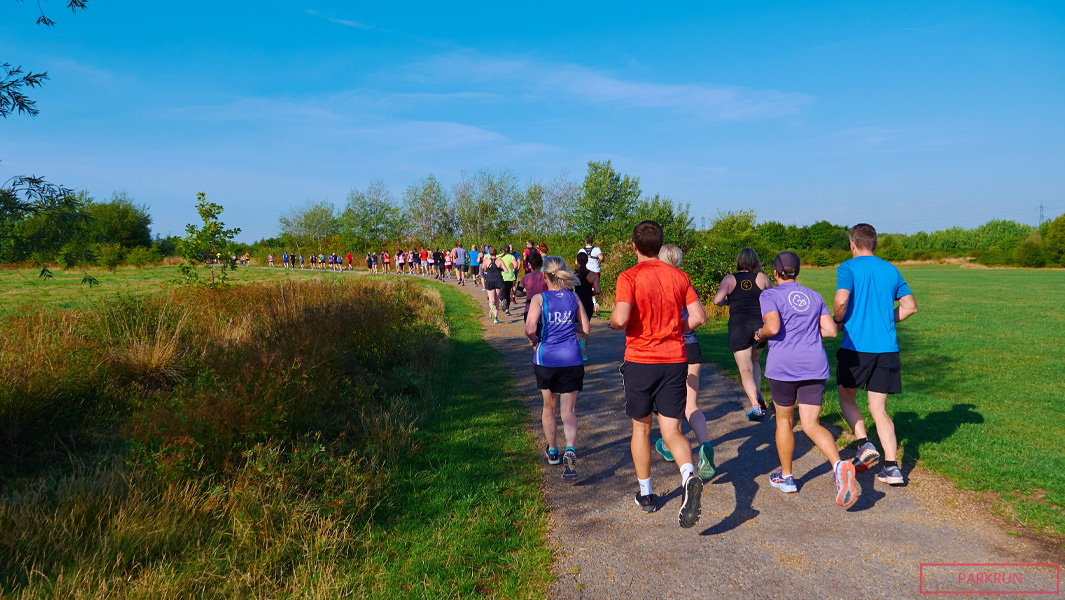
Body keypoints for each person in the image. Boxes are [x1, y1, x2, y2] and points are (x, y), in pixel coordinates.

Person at [609, 221, 707, 528]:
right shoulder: (679, 276)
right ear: (661, 245)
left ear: (634, 246)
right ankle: (689, 475)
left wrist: (613, 322)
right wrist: (677, 328)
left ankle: (647, 494)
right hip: (674, 360)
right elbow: (699, 317)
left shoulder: (629, 276)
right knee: (672, 431)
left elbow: (621, 317)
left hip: (640, 360)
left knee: (641, 429)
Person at [753, 251, 858, 507]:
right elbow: (831, 331)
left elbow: (773, 327)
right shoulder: (814, 295)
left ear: (775, 273)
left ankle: (787, 478)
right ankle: (838, 465)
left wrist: (759, 334)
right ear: (798, 272)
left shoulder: (769, 295)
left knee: (784, 421)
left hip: (784, 367)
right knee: (811, 424)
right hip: (814, 364)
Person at [833, 223, 918, 486]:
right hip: (886, 350)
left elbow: (841, 299)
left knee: (846, 396)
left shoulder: (847, 267)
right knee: (879, 409)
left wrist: (839, 319)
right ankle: (892, 468)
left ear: (852, 244)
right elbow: (910, 307)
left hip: (856, 348)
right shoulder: (891, 270)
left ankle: (864, 443)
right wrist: (887, 320)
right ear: (875, 244)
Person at [653, 245, 716, 480]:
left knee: (670, 405)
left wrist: (673, 330)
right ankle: (705, 445)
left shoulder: (657, 284)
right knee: (691, 404)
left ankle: (671, 445)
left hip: (669, 350)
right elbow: (701, 316)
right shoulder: (686, 282)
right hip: (691, 347)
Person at [526, 256, 590, 482]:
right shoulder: (573, 297)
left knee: (548, 407)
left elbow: (530, 327)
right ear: (563, 274)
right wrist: (568, 324)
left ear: (544, 275)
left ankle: (553, 452)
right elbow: (585, 328)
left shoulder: (539, 298)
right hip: (572, 359)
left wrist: (534, 341)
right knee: (568, 411)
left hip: (546, 360)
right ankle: (570, 448)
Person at [713, 248, 773, 420]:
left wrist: (728, 301)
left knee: (745, 368)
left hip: (739, 326)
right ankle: (758, 393)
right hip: (759, 326)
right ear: (755, 262)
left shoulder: (730, 278)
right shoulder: (760, 278)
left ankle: (755, 405)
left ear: (738, 261)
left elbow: (717, 300)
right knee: (754, 361)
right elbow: (775, 294)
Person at [573, 252, 599, 361]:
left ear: (577, 261)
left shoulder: (572, 274)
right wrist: (589, 293)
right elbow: (598, 290)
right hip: (587, 304)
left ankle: (575, 352)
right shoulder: (593, 275)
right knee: (585, 327)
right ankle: (583, 354)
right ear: (587, 261)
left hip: (575, 303)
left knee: (575, 327)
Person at [576, 236, 604, 316]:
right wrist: (601, 260)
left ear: (585, 242)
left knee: (583, 287)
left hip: (584, 270)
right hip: (595, 271)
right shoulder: (596, 249)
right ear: (592, 241)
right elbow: (601, 258)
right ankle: (594, 304)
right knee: (593, 288)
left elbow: (576, 262)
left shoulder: (581, 250)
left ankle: (590, 303)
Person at [519, 252, 548, 321]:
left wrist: (527, 293)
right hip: (543, 308)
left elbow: (518, 293)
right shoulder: (546, 277)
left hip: (529, 308)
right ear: (541, 264)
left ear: (531, 265)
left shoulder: (525, 277)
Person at [482, 246, 506, 323]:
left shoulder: (486, 260)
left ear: (489, 253)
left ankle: (492, 307)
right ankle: (496, 318)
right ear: (496, 253)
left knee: (491, 300)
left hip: (489, 280)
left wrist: (487, 270)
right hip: (498, 280)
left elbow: (483, 268)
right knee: (497, 300)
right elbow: (506, 271)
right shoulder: (500, 261)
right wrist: (501, 269)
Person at [500, 244, 518, 315]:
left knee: (502, 291)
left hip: (502, 276)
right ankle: (507, 310)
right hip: (510, 276)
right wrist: (514, 269)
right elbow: (516, 265)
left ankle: (502, 299)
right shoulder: (511, 256)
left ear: (503, 250)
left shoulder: (499, 256)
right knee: (508, 292)